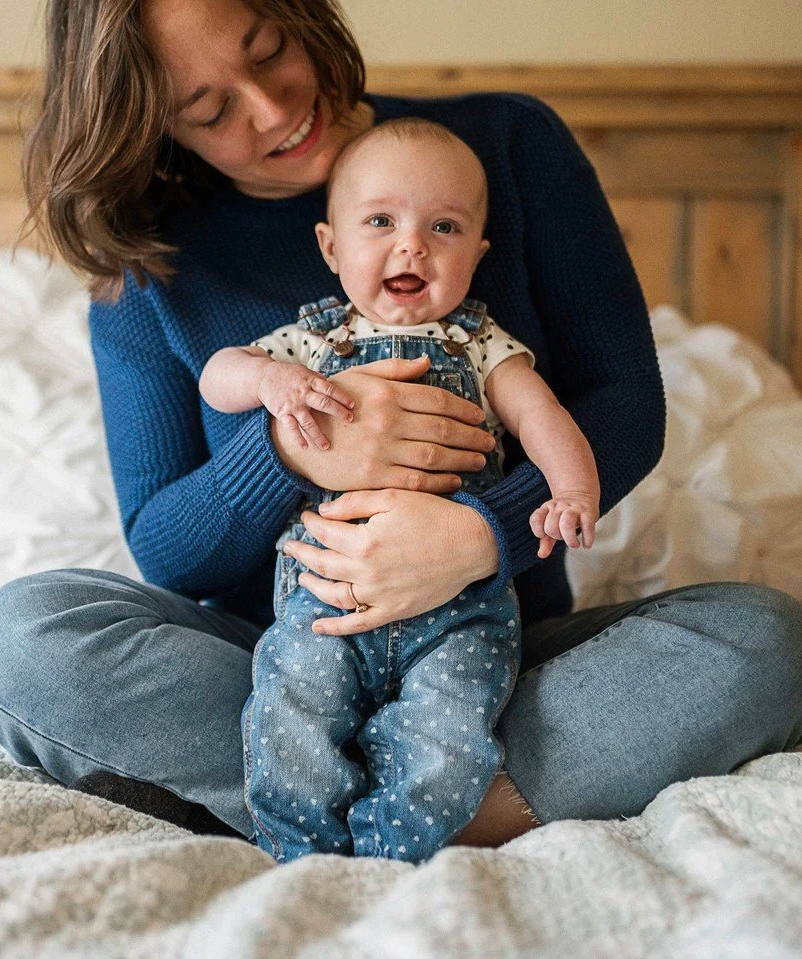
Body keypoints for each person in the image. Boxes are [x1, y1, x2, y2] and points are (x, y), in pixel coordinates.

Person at [0, 0, 802, 848]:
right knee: (23, 636)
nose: (271, 110)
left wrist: (480, 536)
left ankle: (326, 808)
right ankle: (427, 800)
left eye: (267, 51)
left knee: (766, 642)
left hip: (492, 646)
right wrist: (294, 453)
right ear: (156, 128)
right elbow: (164, 544)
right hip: (278, 657)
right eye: (209, 109)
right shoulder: (145, 257)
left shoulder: (504, 148)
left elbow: (624, 401)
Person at [199, 118, 600, 862]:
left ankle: (390, 849)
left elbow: (544, 416)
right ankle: (301, 850)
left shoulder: (482, 348)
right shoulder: (310, 344)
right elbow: (216, 379)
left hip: (459, 614)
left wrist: (572, 490)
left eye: (442, 226)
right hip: (325, 601)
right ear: (330, 247)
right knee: (291, 706)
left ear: (477, 256)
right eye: (380, 221)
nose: (411, 244)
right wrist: (268, 381)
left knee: (448, 733)